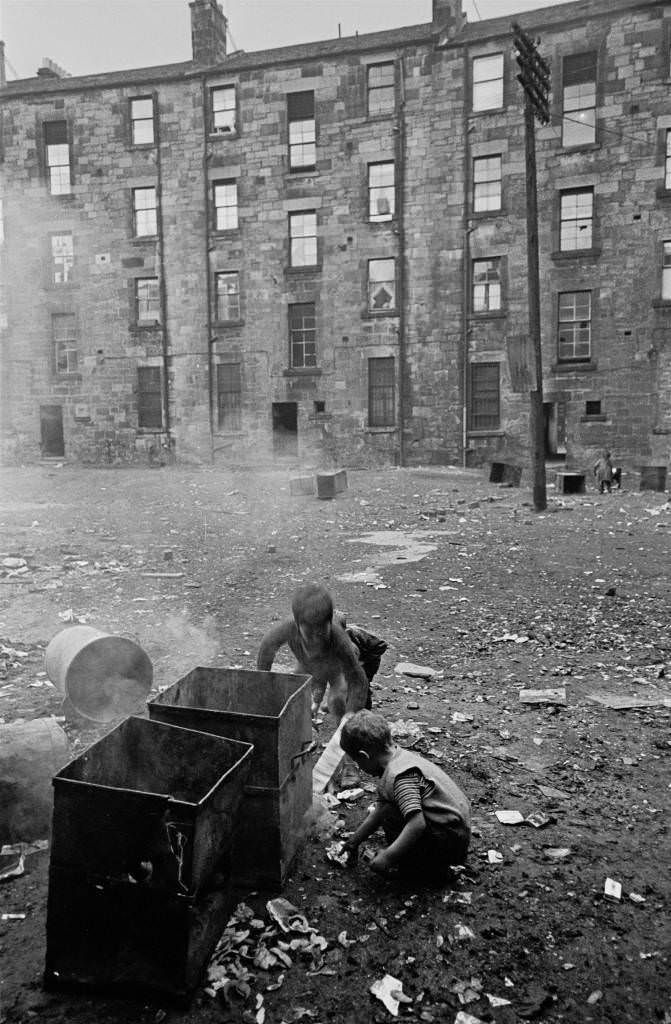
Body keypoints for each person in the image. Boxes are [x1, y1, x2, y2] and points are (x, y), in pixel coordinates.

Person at [339, 710, 471, 881]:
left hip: (449, 840)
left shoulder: (399, 777)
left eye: (357, 762)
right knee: (388, 808)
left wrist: (388, 857)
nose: (359, 767)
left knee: (392, 815)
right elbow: (379, 809)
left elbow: (417, 824)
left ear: (365, 756)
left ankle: (419, 868)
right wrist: (354, 841)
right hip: (452, 829)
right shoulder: (399, 757)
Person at [256, 583, 371, 721]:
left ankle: (343, 733)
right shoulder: (287, 628)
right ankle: (302, 728)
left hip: (336, 668)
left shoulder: (339, 638)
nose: (316, 639)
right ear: (298, 626)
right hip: (307, 664)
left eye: (321, 632)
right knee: (296, 694)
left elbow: (358, 680)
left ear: (329, 623)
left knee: (337, 701)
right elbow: (266, 649)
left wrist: (350, 714)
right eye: (310, 633)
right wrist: (264, 683)